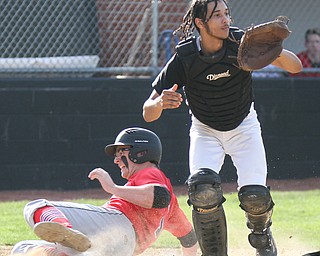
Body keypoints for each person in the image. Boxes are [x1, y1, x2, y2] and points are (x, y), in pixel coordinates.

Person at [142, 1, 302, 256]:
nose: (225, 20)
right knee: (203, 191)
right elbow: (147, 112)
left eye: (227, 13)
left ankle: (262, 236)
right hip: (205, 131)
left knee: (255, 198)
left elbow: (296, 67)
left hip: (244, 127)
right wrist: (160, 103)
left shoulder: (241, 42)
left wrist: (272, 50)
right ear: (200, 23)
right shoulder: (186, 57)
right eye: (217, 15)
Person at [11, 127, 198, 256]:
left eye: (120, 152)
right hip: (118, 248)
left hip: (116, 225)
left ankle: (67, 232)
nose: (116, 160)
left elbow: (159, 196)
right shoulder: (172, 207)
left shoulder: (149, 172)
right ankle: (66, 246)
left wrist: (113, 188)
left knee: (36, 207)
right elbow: (189, 238)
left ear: (141, 153)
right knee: (22, 248)